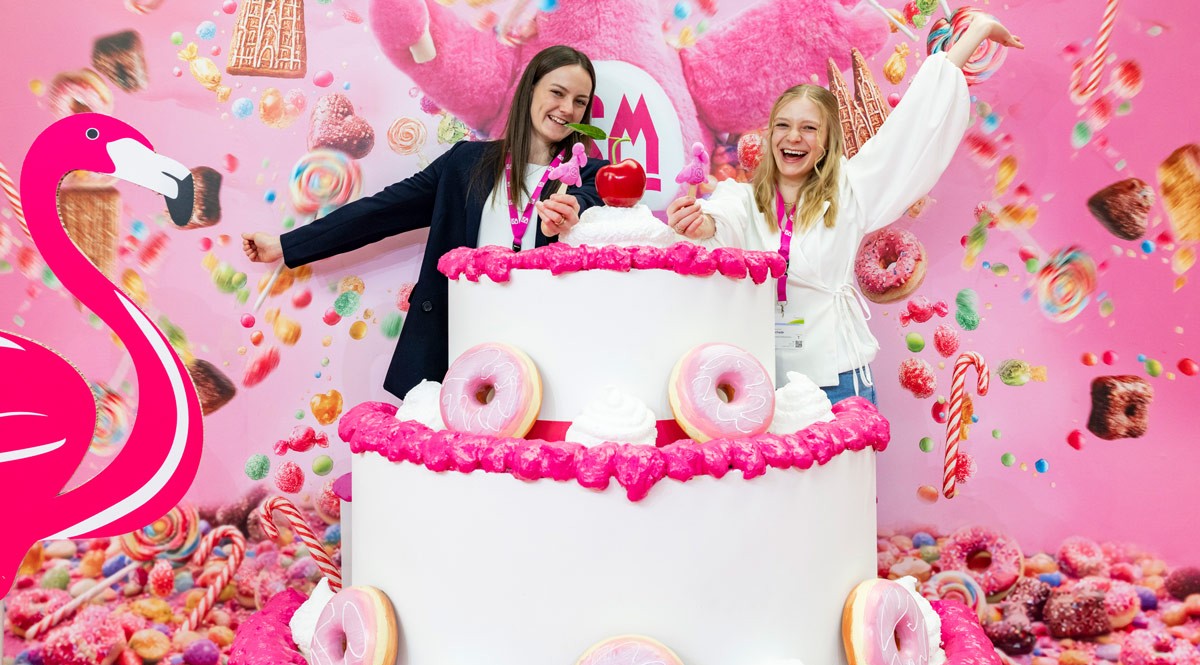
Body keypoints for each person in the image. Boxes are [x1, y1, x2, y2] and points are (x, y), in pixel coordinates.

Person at [666, 17, 1023, 404]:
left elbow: (912, 126)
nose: (793, 137)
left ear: (826, 142)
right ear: (770, 137)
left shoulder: (850, 190)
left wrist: (977, 32)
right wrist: (698, 224)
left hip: (839, 382)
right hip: (763, 384)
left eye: (809, 128)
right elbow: (719, 220)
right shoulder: (745, 200)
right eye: (783, 125)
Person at [243, 45, 607, 400]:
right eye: (557, 93)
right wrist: (285, 245)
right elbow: (380, 212)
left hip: (542, 351)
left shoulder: (590, 178)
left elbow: (593, 212)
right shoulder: (466, 163)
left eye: (579, 101)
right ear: (530, 90)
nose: (567, 109)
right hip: (458, 341)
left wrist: (575, 217)